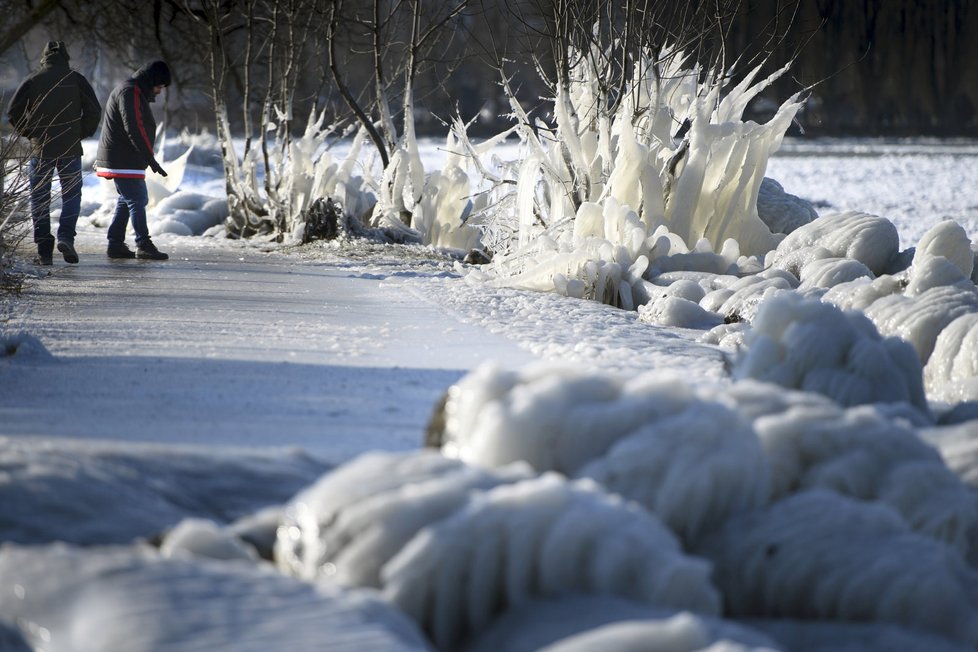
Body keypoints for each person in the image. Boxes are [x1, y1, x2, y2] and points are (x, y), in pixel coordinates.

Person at [6, 41, 101, 265]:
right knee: (71, 195)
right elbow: (94, 111)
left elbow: (13, 112)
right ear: (66, 57)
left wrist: (30, 132)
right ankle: (66, 237)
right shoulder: (76, 79)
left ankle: (44, 250)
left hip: (41, 148)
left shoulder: (33, 79)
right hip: (69, 148)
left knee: (39, 198)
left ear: (44, 57)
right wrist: (80, 133)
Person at [94, 60, 171, 260]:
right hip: (123, 157)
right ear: (152, 80)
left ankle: (116, 243)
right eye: (159, 86)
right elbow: (134, 127)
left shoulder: (130, 90)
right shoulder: (130, 92)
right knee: (138, 199)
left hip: (123, 156)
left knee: (126, 200)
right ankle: (143, 243)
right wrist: (150, 158)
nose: (159, 91)